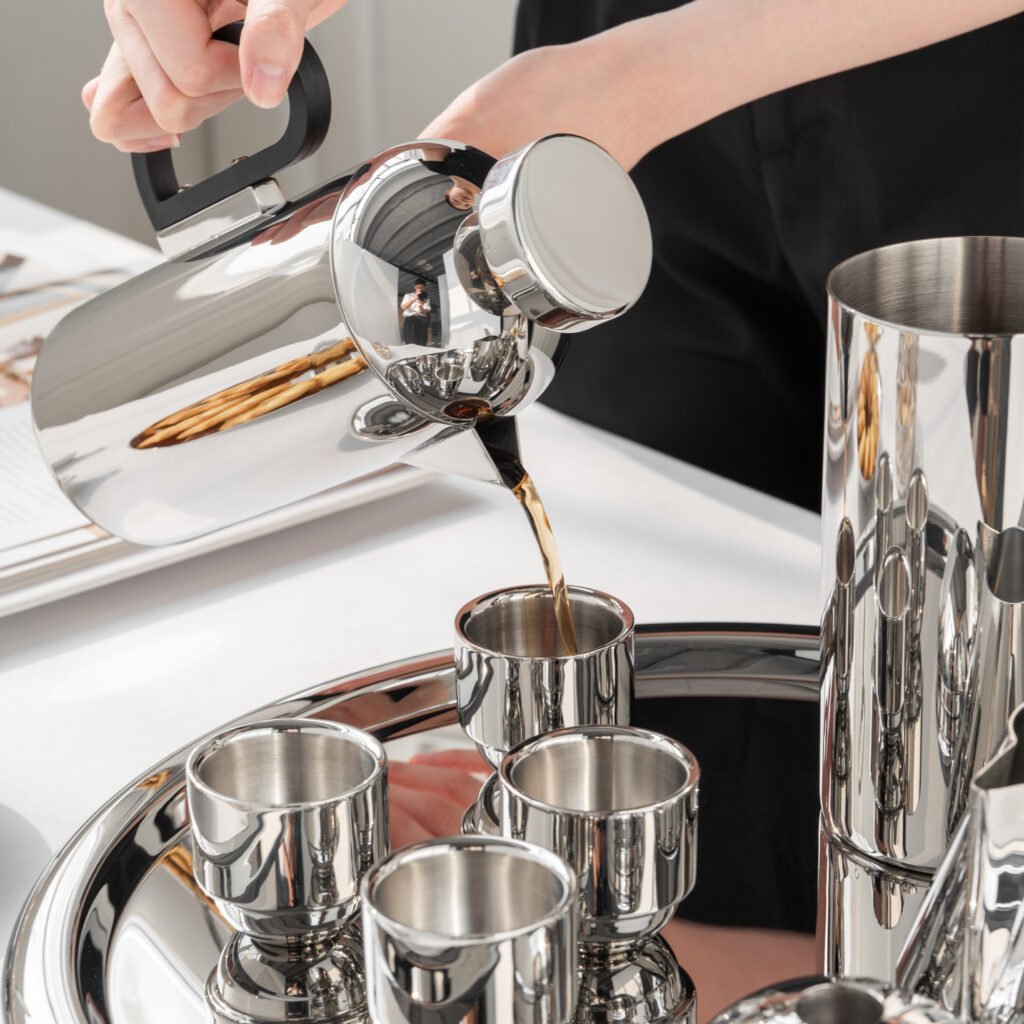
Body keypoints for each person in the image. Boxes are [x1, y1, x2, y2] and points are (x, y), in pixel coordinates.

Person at [79, 1, 1024, 1012]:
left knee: (963, 745)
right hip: (612, 76)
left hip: (951, 87)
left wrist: (630, 85)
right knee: (690, 777)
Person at [399, 279, 431, 345]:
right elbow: (403, 307)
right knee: (410, 342)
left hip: (422, 320)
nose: (419, 289)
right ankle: (413, 355)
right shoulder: (408, 295)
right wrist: (413, 299)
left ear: (425, 288)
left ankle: (422, 355)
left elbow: (425, 311)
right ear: (414, 287)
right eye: (418, 287)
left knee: (422, 341)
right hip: (411, 320)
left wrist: (421, 306)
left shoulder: (426, 298)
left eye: (422, 288)